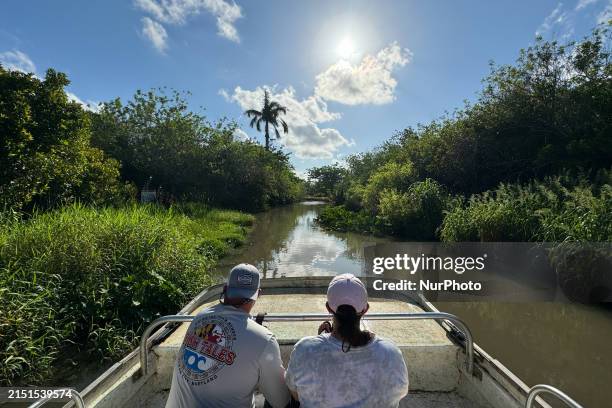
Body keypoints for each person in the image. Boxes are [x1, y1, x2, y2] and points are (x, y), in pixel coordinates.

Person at [166, 263, 290, 408]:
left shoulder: (200, 317)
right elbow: (281, 401)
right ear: (258, 294)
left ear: (225, 289)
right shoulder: (264, 339)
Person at [285, 274, 409, 408]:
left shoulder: (305, 349)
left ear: (329, 308)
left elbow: (296, 395)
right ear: (365, 309)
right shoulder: (391, 353)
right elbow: (400, 393)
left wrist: (319, 343)